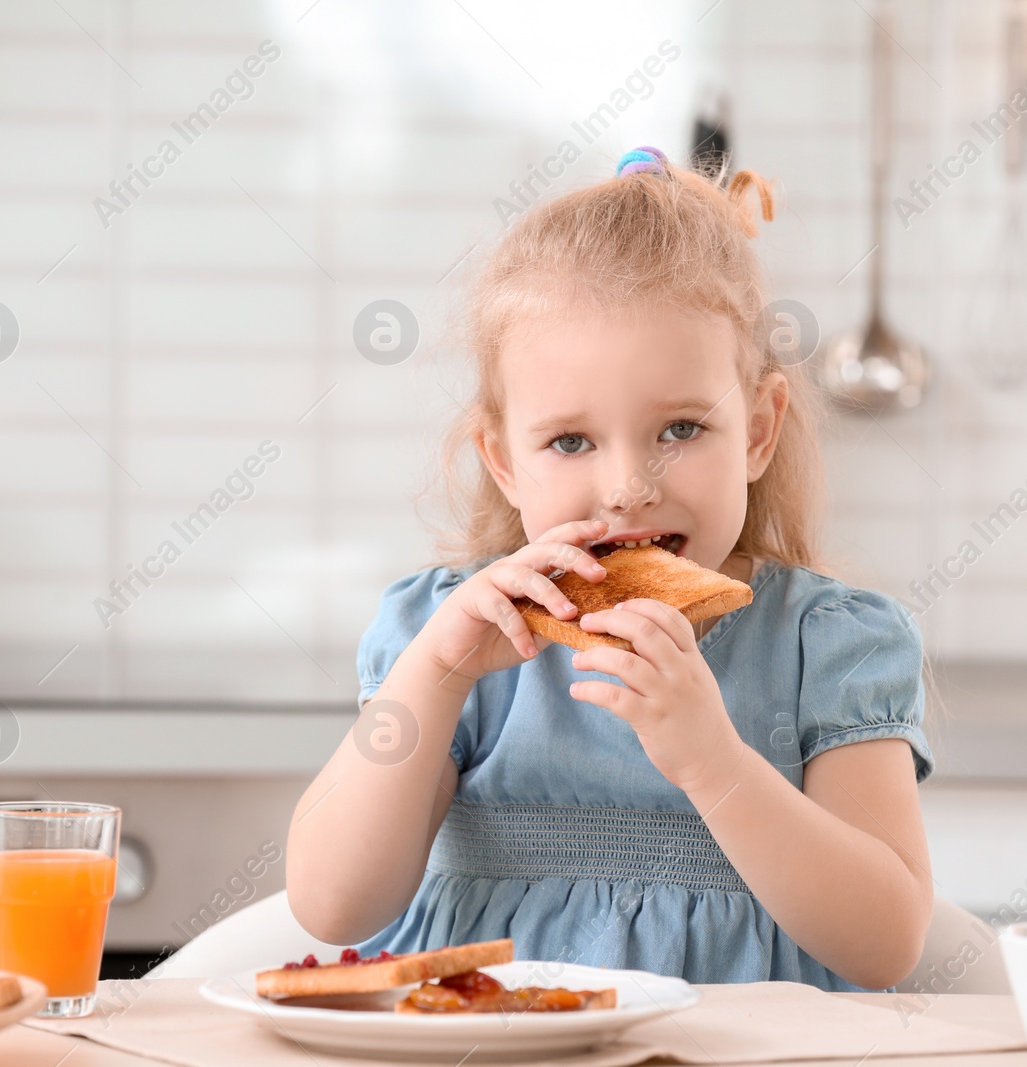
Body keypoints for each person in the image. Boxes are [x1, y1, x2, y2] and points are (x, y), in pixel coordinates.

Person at [287, 147, 934, 991]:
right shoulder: (453, 640)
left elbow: (885, 944)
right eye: (569, 441)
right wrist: (437, 674)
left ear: (760, 430)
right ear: (505, 462)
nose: (628, 488)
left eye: (679, 430)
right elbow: (333, 904)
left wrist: (713, 761)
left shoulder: (827, 646)